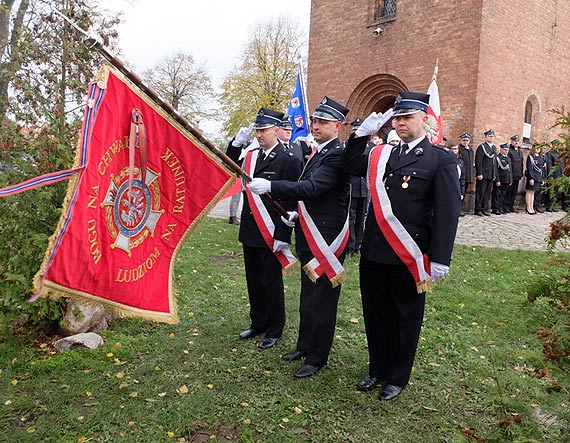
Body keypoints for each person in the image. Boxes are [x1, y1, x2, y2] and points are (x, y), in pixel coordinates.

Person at [343, 92, 461, 401]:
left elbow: (447, 213)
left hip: (410, 254)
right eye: (397, 117)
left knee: (405, 317)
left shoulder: (441, 159)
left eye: (407, 117)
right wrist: (361, 135)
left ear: (424, 119)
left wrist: (440, 259)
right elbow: (349, 165)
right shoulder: (382, 153)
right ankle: (377, 368)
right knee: (375, 313)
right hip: (374, 251)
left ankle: (397, 376)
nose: (400, 122)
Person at [248, 96, 350, 378]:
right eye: (315, 121)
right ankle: (304, 346)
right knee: (308, 295)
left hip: (326, 238)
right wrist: (295, 215)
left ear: (338, 126)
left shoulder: (337, 154)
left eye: (323, 122)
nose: (315, 125)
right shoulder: (319, 151)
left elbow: (313, 188)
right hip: (309, 233)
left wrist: (271, 184)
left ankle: (317, 357)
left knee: (323, 300)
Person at [237, 108, 303, 349]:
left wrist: (283, 235)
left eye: (263, 130)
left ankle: (275, 328)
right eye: (257, 130)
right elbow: (229, 166)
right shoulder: (252, 156)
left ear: (277, 130)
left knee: (270, 281)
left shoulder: (289, 159)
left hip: (272, 230)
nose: (259, 134)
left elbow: (292, 198)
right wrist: (236, 144)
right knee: (253, 279)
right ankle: (258, 322)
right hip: (250, 228)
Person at [345, 118, 374, 258]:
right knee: (351, 216)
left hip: (364, 186)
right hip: (352, 184)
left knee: (361, 217)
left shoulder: (371, 146)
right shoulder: (349, 145)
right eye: (355, 129)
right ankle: (350, 245)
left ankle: (358, 244)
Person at [226, 125, 255, 224]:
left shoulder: (252, 148)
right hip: (238, 176)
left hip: (248, 176)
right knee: (236, 197)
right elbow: (230, 158)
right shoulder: (236, 147)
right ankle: (232, 216)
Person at [474, 129, 497, 216]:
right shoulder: (482, 147)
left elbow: (494, 162)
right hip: (483, 174)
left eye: (492, 136)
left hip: (490, 174)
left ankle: (484, 208)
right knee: (480, 192)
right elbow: (478, 161)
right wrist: (479, 173)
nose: (491, 138)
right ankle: (478, 209)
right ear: (486, 137)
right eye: (489, 136)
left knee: (487, 193)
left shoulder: (494, 148)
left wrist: (494, 174)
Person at [491, 144, 513, 214]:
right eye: (505, 150)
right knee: (497, 194)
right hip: (500, 179)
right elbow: (496, 170)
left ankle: (500, 208)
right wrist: (497, 180)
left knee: (503, 195)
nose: (506, 151)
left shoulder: (508, 158)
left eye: (507, 150)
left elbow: (510, 170)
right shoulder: (498, 158)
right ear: (501, 149)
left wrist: (510, 180)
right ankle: (495, 208)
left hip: (506, 179)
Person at [525, 143, 545, 215]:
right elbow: (530, 168)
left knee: (533, 193)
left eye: (539, 148)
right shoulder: (530, 157)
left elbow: (541, 169)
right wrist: (531, 178)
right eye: (536, 148)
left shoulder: (540, 157)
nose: (538, 149)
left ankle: (531, 207)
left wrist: (542, 179)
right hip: (532, 177)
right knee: (529, 192)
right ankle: (528, 208)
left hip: (538, 177)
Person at [505, 135, 524, 213]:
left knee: (514, 192)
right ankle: (505, 206)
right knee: (508, 191)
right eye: (515, 141)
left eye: (517, 141)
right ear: (511, 141)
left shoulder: (519, 151)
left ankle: (511, 206)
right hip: (511, 174)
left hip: (517, 174)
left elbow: (521, 162)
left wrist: (521, 172)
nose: (516, 142)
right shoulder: (509, 150)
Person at [458, 133, 474, 215]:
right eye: (464, 140)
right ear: (461, 141)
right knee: (460, 192)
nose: (465, 142)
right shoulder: (459, 149)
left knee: (464, 193)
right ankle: (458, 209)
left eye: (467, 140)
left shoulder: (470, 150)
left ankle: (461, 208)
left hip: (468, 175)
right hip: (461, 175)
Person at [448, 141, 466, 210]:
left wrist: (461, 192)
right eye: (452, 149)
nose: (454, 151)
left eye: (456, 149)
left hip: (456, 187)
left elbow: (462, 178)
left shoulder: (460, 162)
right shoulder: (444, 160)